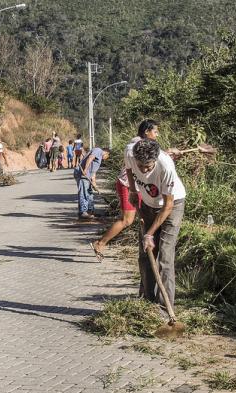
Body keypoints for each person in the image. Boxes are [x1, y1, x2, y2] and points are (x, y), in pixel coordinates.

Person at [126, 138, 186, 311]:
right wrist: (132, 190)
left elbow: (168, 206)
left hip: (172, 206)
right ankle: (147, 301)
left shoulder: (166, 166)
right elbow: (129, 169)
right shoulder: (130, 153)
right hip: (147, 204)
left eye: (148, 166)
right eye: (141, 166)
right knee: (146, 254)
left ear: (155, 159)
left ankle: (165, 307)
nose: (144, 171)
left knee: (165, 257)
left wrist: (149, 233)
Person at [90, 120, 160, 261]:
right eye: (155, 131)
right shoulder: (135, 145)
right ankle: (100, 243)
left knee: (143, 218)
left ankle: (146, 250)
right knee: (127, 220)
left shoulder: (146, 145)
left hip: (138, 186)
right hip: (128, 185)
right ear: (146, 132)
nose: (157, 135)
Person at [73, 146, 110, 219]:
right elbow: (90, 157)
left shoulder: (99, 158)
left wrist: (94, 184)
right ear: (107, 153)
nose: (106, 159)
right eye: (108, 157)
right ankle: (83, 212)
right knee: (84, 193)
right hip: (82, 173)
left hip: (88, 175)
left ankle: (90, 211)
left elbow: (93, 172)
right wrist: (85, 169)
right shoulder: (98, 150)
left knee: (89, 193)